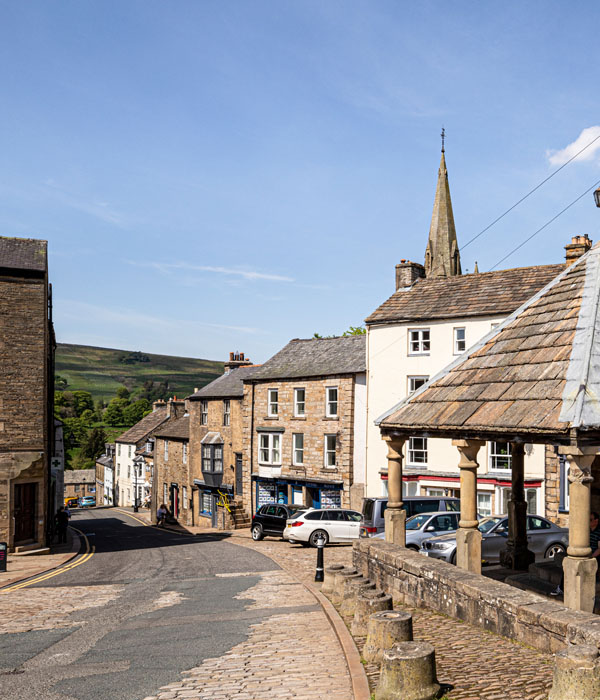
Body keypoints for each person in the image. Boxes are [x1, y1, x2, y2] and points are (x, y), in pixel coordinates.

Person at [551, 510, 600, 596]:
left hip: (593, 555)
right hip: (585, 553)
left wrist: (591, 557)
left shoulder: (599, 532)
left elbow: (599, 549)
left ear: (596, 521)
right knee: (568, 564)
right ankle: (562, 588)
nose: (588, 522)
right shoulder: (586, 531)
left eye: (590, 520)